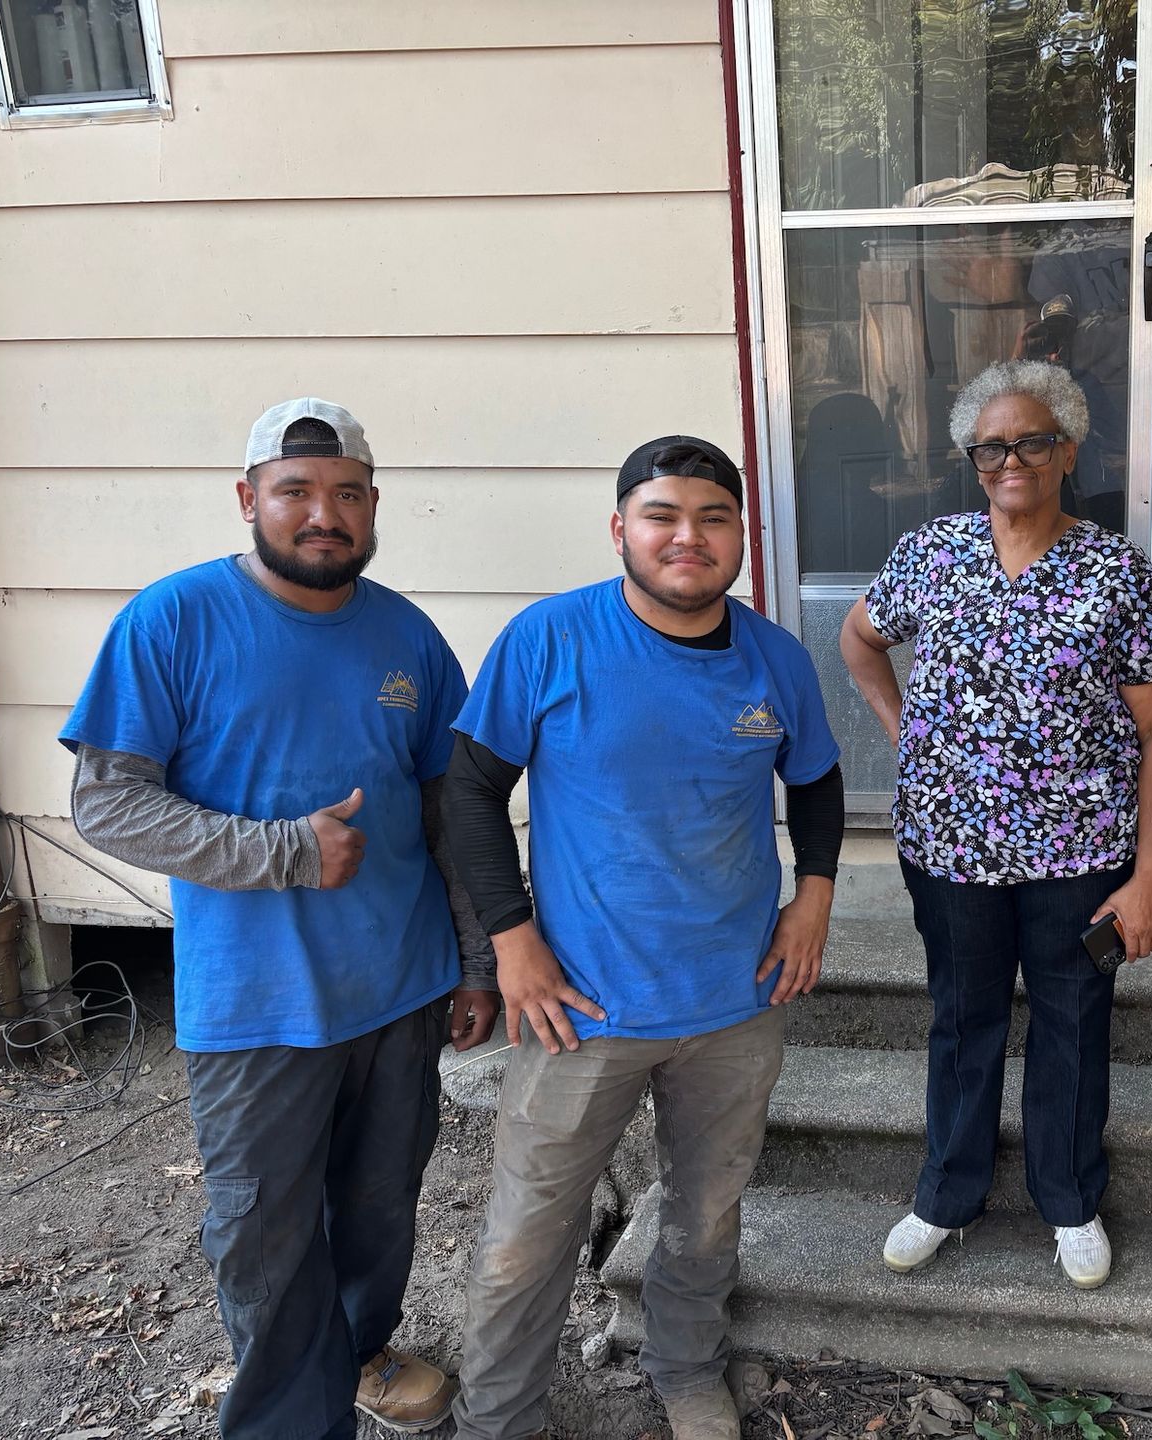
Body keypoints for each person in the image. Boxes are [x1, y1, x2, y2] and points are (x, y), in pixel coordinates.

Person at [60, 398, 499, 1438]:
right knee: (261, 1228)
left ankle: (357, 1352)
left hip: (400, 988)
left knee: (382, 1204)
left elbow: (453, 813)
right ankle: (287, 1418)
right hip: (254, 1004)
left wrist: (477, 962)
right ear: (248, 498)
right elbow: (106, 800)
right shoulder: (172, 621)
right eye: (296, 491)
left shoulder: (407, 636)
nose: (322, 514)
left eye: (346, 494)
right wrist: (282, 852)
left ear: (374, 505)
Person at [444, 436, 844, 1440]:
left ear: (740, 537)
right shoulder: (550, 639)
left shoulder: (775, 659)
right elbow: (472, 791)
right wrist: (511, 939)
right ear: (620, 528)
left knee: (706, 1213)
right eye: (663, 515)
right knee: (527, 1236)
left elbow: (821, 781)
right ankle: (501, 1415)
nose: (688, 537)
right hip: (581, 998)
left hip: (733, 999)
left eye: (713, 518)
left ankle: (686, 1369)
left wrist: (816, 897)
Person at [839, 359, 1152, 1290]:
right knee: (963, 1017)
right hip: (949, 847)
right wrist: (903, 726)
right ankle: (946, 1194)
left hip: (1079, 850)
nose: (1011, 460)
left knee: (1073, 1015)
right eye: (991, 446)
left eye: (1032, 440)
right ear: (973, 459)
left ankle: (1070, 1200)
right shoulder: (930, 552)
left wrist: (1148, 874)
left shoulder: (1115, 570)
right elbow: (859, 639)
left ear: (1068, 449)